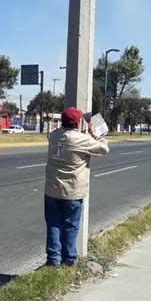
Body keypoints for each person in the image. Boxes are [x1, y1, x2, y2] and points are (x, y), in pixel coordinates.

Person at [44, 106, 109, 266]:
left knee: (53, 224)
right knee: (70, 226)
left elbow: (65, 137)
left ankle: (53, 259)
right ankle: (69, 259)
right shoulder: (83, 139)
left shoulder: (53, 136)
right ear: (78, 122)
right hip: (72, 191)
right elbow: (104, 148)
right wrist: (96, 134)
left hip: (52, 189)